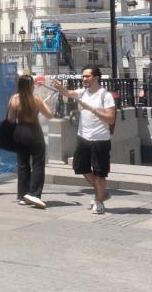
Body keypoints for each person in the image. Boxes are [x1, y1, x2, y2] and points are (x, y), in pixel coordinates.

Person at [54, 66, 116, 215]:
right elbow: (68, 93)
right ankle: (102, 193)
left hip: (100, 140)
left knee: (100, 173)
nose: (84, 79)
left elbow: (110, 118)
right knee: (80, 167)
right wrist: (60, 88)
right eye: (83, 76)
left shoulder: (105, 95)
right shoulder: (82, 92)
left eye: (87, 76)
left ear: (96, 78)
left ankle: (99, 201)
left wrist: (91, 109)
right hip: (83, 138)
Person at [6, 74, 53, 209]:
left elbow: (9, 119)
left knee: (23, 164)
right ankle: (35, 194)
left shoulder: (14, 99)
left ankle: (22, 195)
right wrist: (45, 103)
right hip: (34, 132)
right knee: (38, 163)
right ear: (31, 86)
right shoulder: (36, 100)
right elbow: (49, 114)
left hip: (19, 132)